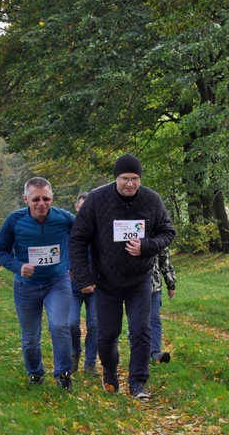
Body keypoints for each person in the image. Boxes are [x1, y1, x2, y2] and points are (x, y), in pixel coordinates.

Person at [69, 154, 176, 399]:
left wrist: (147, 246)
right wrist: (84, 277)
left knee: (141, 330)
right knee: (107, 334)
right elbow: (77, 239)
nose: (130, 184)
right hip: (106, 281)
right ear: (116, 178)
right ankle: (109, 373)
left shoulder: (151, 199)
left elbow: (167, 231)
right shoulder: (97, 199)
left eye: (135, 179)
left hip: (139, 278)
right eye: (125, 178)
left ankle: (138, 383)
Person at [0, 177, 75, 389]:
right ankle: (35, 373)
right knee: (30, 337)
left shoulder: (64, 218)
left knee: (59, 326)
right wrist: (17, 266)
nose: (42, 204)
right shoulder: (14, 220)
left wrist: (76, 267)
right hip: (25, 286)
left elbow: (84, 238)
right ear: (26, 199)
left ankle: (63, 374)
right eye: (36, 199)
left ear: (52, 198)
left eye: (46, 198)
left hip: (57, 281)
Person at [68, 192, 98, 376]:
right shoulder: (69, 228)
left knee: (94, 325)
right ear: (76, 207)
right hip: (72, 287)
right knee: (71, 323)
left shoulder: (100, 229)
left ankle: (90, 363)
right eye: (82, 207)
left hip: (96, 287)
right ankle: (74, 352)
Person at [149, 247, 176, 363]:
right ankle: (139, 353)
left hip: (154, 288)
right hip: (133, 289)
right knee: (137, 324)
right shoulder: (128, 233)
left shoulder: (158, 236)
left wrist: (171, 284)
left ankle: (155, 353)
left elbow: (165, 262)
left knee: (154, 319)